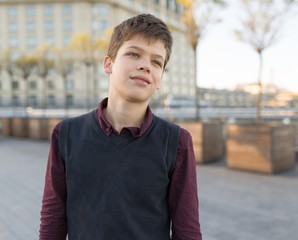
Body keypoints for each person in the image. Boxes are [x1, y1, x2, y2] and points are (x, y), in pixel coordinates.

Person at [39, 14, 202, 240]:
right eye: (133, 54)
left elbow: (187, 230)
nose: (145, 65)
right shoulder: (66, 134)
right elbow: (52, 219)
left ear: (160, 78)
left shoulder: (176, 142)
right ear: (109, 64)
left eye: (157, 62)